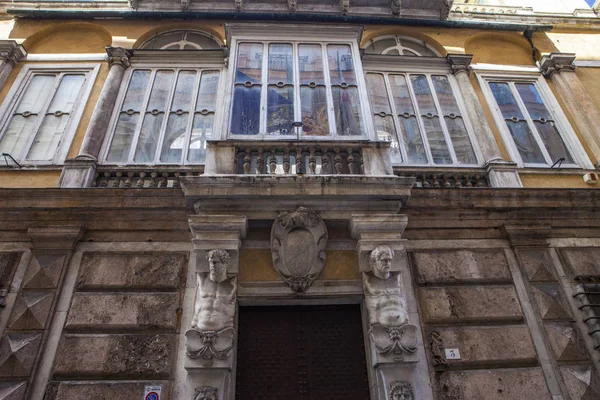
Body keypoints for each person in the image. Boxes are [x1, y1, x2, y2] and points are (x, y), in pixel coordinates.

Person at [190, 249, 236, 331]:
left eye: (216, 262)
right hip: (198, 329)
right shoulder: (201, 279)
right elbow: (196, 302)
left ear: (225, 264)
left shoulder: (232, 283)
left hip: (224, 330)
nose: (212, 265)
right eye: (210, 262)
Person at [363, 245, 408, 327]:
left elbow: (403, 298)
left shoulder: (397, 277)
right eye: (384, 260)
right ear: (375, 261)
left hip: (403, 323)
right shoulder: (368, 280)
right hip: (378, 325)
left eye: (389, 260)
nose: (388, 263)